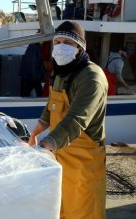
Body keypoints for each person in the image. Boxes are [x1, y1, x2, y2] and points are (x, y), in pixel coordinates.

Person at [28, 21, 108, 219]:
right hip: (61, 156)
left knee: (84, 211)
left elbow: (76, 120)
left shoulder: (92, 77)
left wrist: (45, 146)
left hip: (84, 163)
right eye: (57, 42)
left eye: (67, 43)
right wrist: (35, 133)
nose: (60, 47)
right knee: (61, 209)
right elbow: (51, 108)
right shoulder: (60, 72)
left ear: (80, 48)